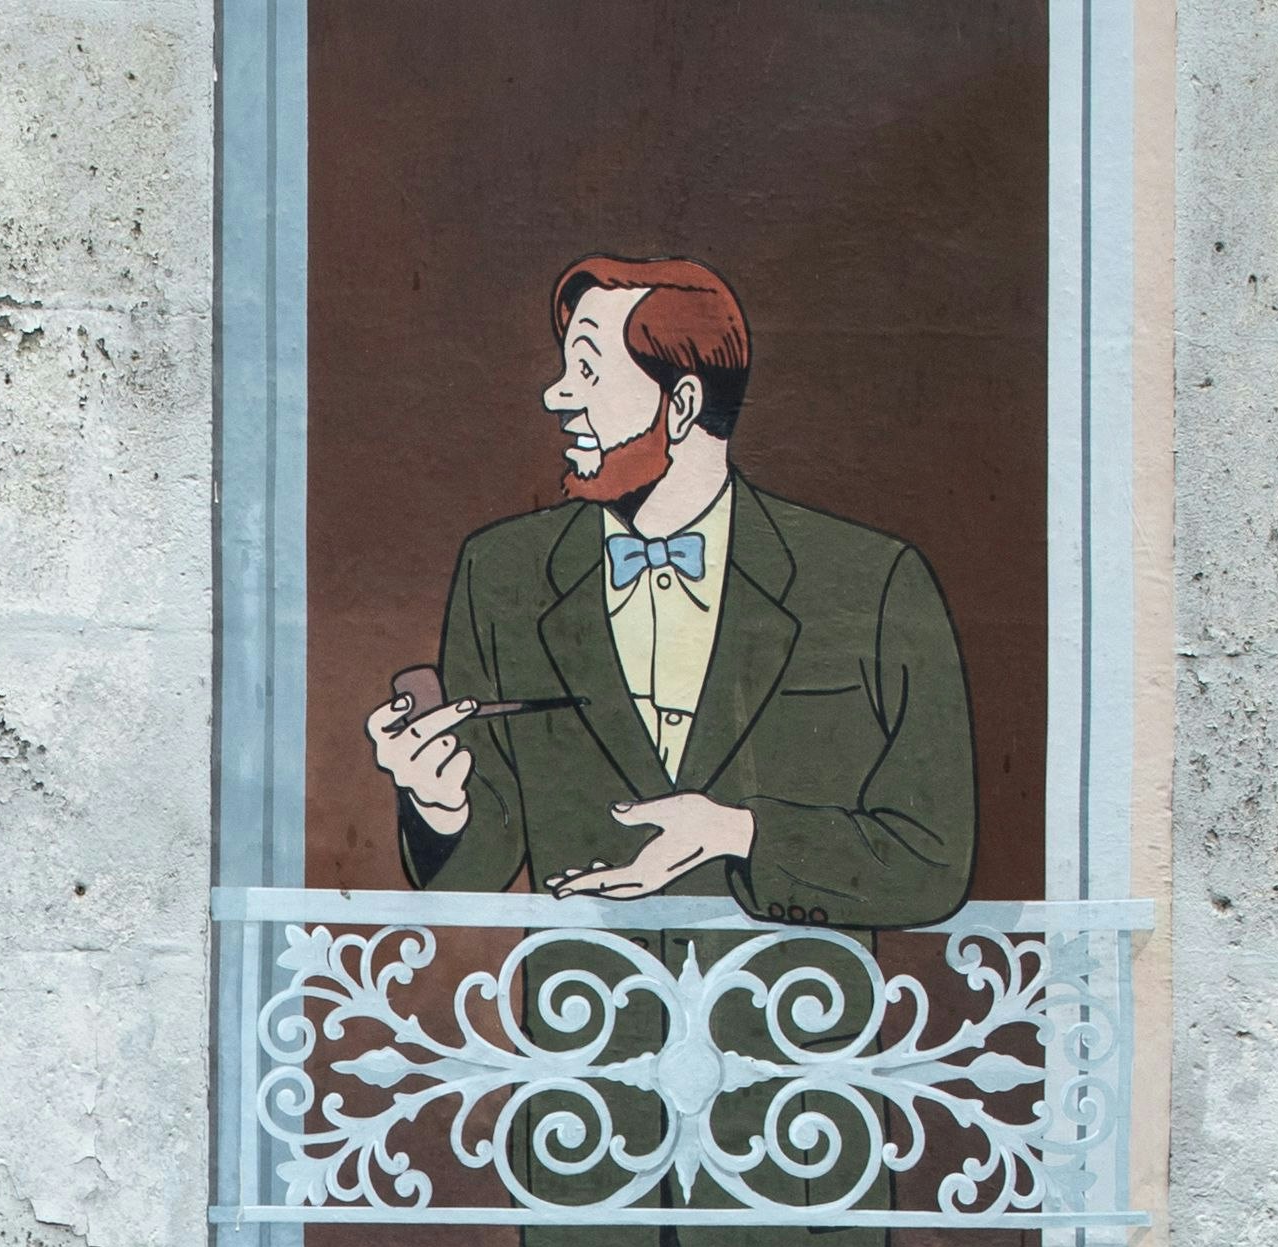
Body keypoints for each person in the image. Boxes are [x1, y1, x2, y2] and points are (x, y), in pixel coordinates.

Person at [365, 254, 976, 932]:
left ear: (680, 405)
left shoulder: (873, 579)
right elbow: (477, 870)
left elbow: (932, 862)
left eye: (588, 371)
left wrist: (737, 832)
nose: (556, 396)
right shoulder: (502, 570)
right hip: (585, 1024)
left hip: (796, 1025)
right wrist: (437, 803)